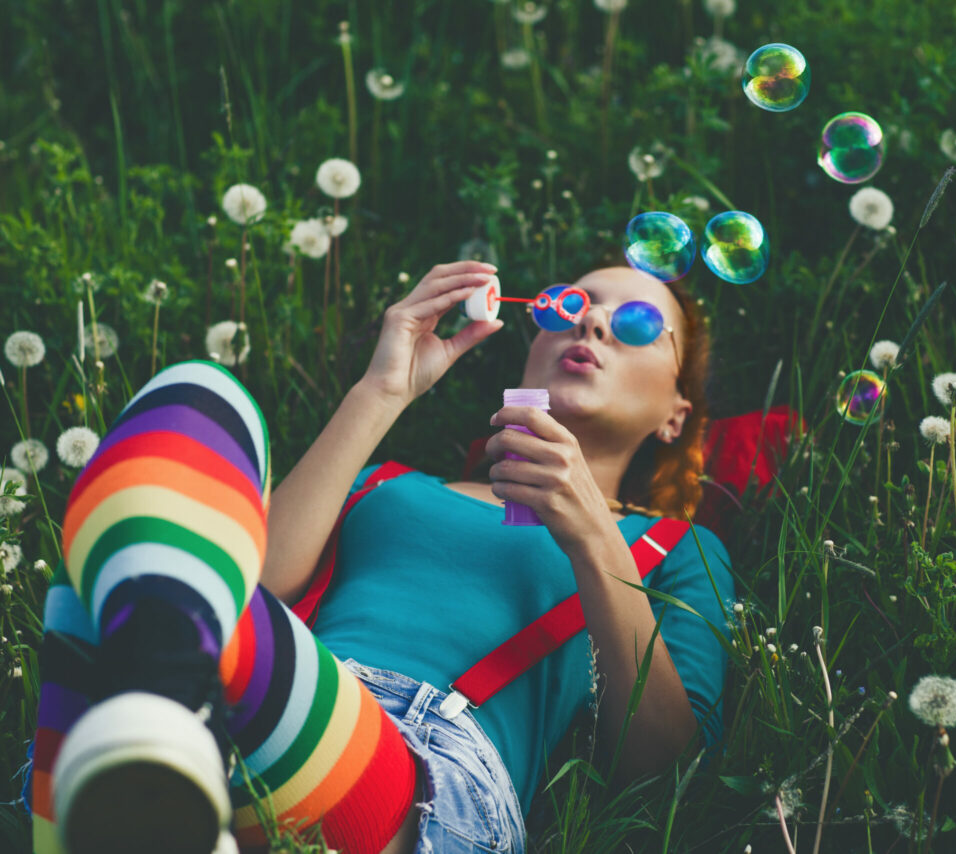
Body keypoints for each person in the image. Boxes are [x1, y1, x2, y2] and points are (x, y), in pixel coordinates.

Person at [25, 260, 736, 854]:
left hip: (417, 776)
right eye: (569, 305)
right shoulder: (388, 484)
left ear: (677, 413)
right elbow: (241, 583)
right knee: (200, 394)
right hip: (278, 689)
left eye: (638, 323)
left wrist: (593, 536)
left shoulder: (672, 548)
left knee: (107, 610)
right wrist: (383, 389)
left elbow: (662, 767)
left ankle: (143, 742)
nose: (590, 322)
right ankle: (164, 741)